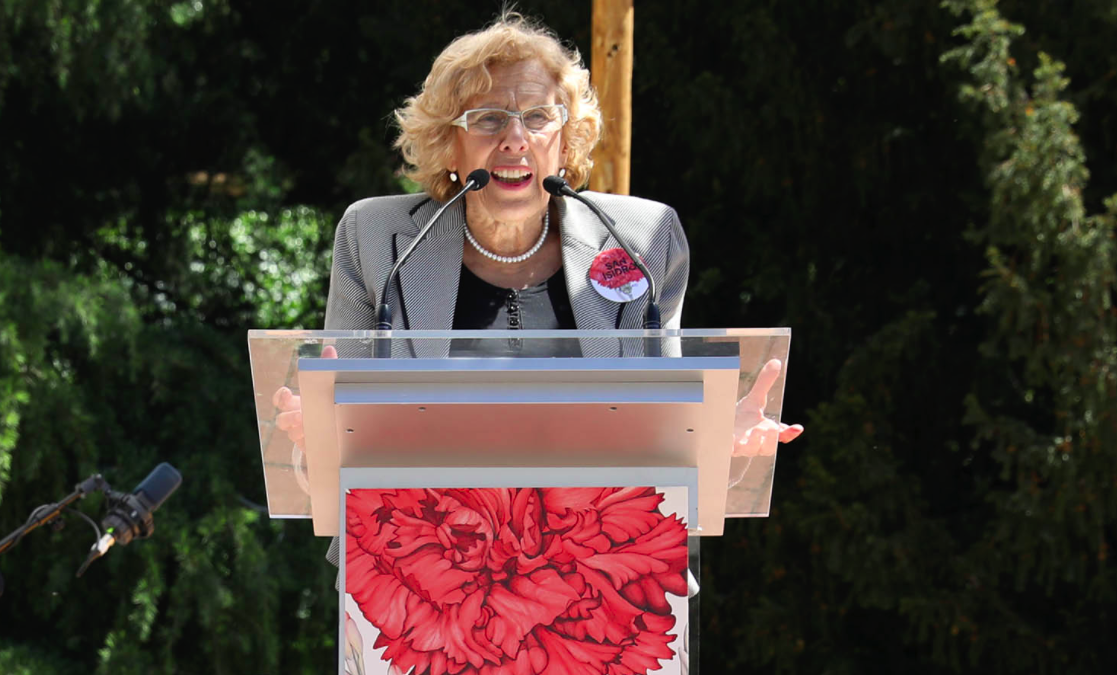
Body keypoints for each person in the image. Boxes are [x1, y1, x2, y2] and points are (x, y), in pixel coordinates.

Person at [274, 10, 802, 570]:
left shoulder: (642, 239)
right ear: (447, 144)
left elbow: (666, 434)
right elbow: (337, 444)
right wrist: (315, 441)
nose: (515, 138)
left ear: (566, 139)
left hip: (603, 573)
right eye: (487, 118)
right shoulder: (378, 237)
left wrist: (719, 438)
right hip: (419, 573)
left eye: (538, 117)